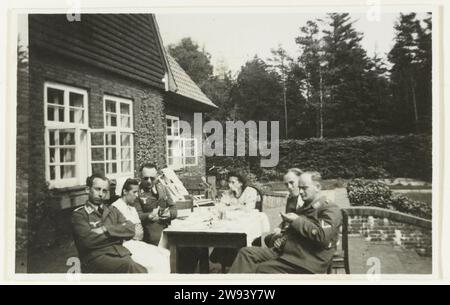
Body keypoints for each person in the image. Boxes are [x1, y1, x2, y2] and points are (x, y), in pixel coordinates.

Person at [228, 171, 342, 274]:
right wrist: (282, 238)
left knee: (261, 269)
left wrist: (296, 220)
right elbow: (295, 232)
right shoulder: (306, 207)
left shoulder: (329, 209)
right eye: (300, 187)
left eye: (304, 188)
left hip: (305, 261)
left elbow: (322, 236)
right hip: (289, 253)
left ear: (317, 187)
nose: (301, 192)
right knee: (246, 253)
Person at [71, 173, 147, 273]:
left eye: (104, 191)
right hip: (94, 259)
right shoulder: (79, 215)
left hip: (119, 254)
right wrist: (118, 234)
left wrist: (105, 229)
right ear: (88, 190)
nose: (101, 194)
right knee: (133, 269)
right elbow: (87, 241)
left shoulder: (112, 210)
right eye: (97, 189)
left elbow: (130, 228)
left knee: (144, 267)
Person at [112, 178, 170, 273]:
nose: (136, 195)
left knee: (166, 253)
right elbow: (114, 232)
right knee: (156, 261)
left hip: (138, 243)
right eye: (134, 192)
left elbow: (138, 224)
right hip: (126, 246)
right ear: (125, 191)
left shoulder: (132, 207)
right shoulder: (116, 207)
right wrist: (132, 233)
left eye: (137, 192)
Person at [210, 171, 261, 269]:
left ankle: (243, 262)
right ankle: (228, 261)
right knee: (223, 233)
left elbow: (248, 209)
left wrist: (231, 207)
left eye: (233, 182)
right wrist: (232, 207)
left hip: (246, 222)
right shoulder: (228, 193)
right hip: (231, 221)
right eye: (229, 182)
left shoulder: (250, 191)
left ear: (241, 183)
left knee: (240, 235)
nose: (230, 185)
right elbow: (221, 207)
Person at [135, 163, 177, 245]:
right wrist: (150, 215)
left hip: (167, 230)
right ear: (140, 177)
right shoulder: (137, 193)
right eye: (146, 178)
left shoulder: (162, 188)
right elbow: (137, 215)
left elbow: (174, 209)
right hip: (150, 235)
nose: (149, 181)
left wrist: (169, 214)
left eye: (152, 178)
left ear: (157, 177)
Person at [264, 168, 304, 248]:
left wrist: (284, 234)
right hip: (289, 231)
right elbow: (287, 220)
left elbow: (303, 223)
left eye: (292, 183)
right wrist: (279, 227)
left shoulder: (304, 198)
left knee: (274, 239)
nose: (289, 187)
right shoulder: (290, 198)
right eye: (286, 184)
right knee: (268, 238)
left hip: (300, 235)